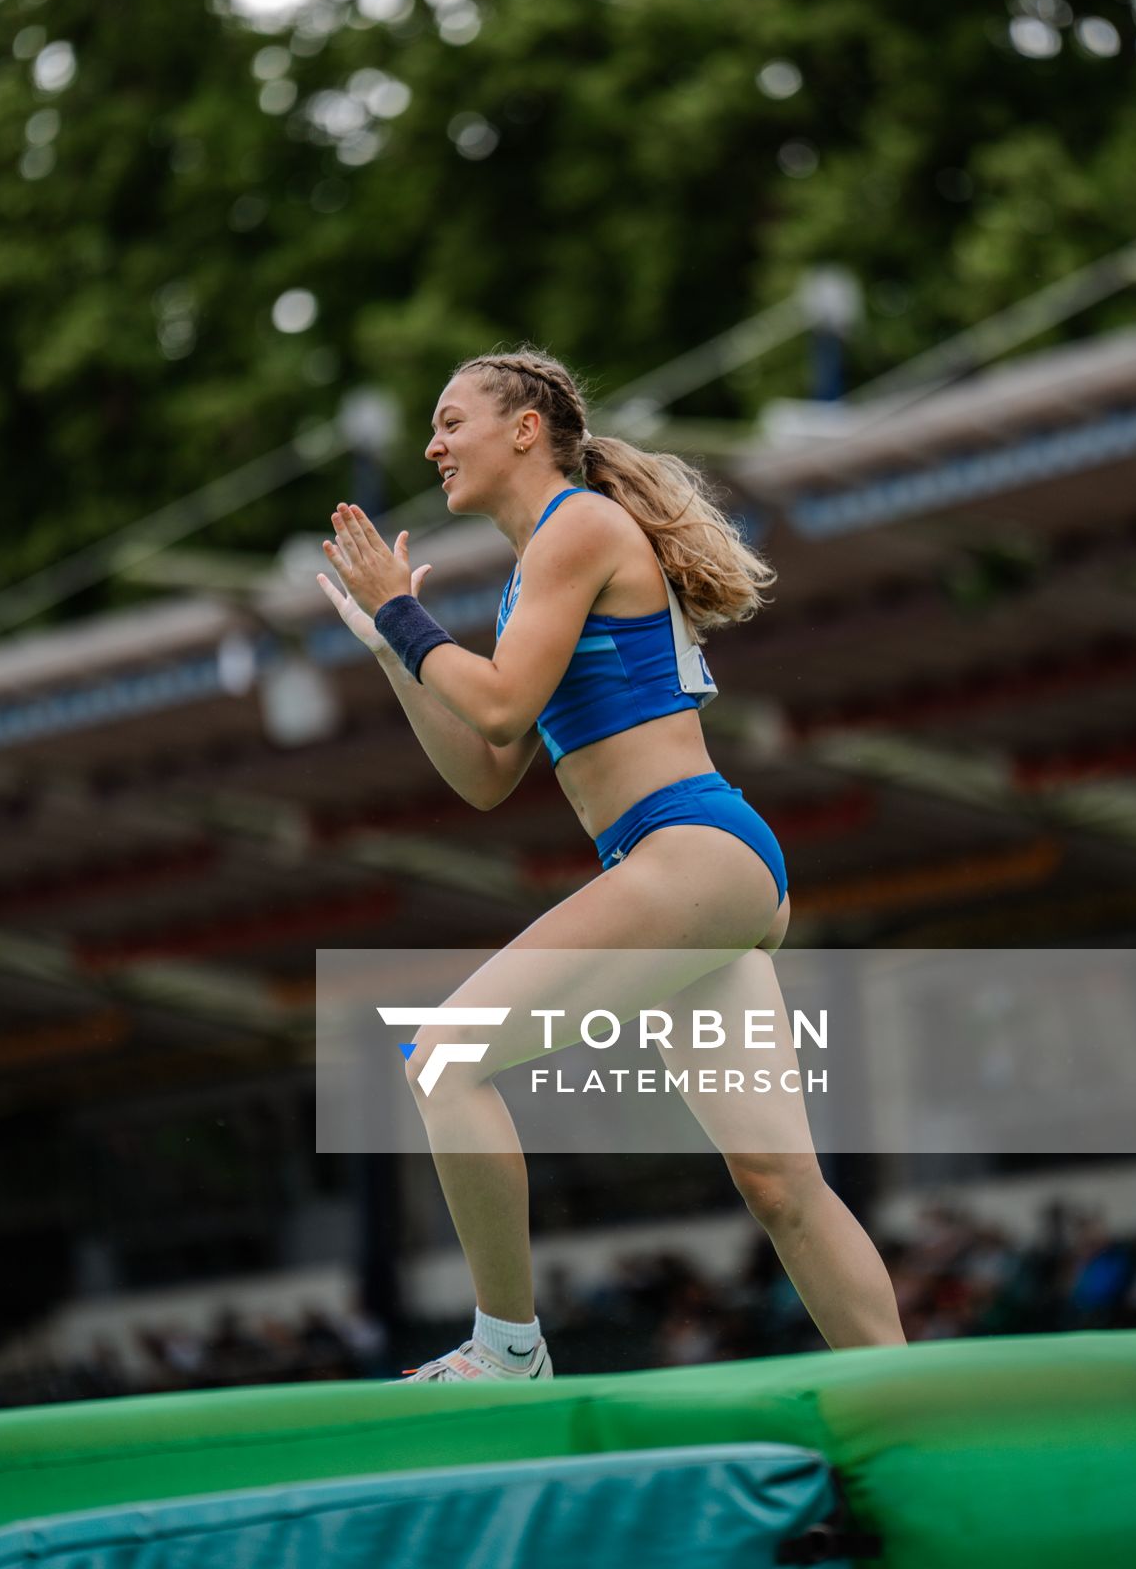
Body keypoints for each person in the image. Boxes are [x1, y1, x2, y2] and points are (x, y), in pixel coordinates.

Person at [317, 345, 906, 1381]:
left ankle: (508, 1351)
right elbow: (485, 770)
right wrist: (385, 643)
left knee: (444, 1061)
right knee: (778, 1184)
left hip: (688, 847)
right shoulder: (530, 573)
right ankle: (908, 1399)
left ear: (524, 428)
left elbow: (496, 702)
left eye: (451, 420)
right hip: (695, 868)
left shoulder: (579, 526)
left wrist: (407, 620)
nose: (431, 444)